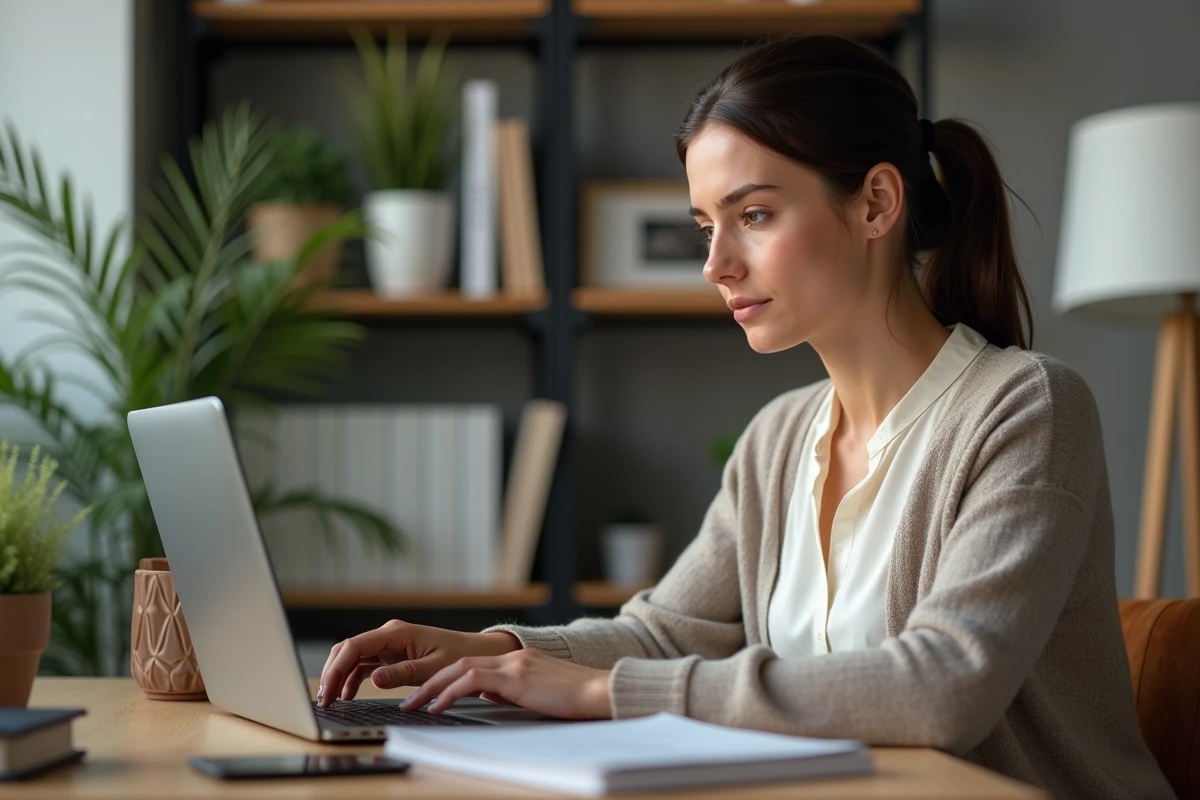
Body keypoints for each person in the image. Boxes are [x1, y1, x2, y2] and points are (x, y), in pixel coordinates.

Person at [318, 35, 1172, 798]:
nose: (716, 264)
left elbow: (945, 684)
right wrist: (488, 651)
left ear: (877, 203)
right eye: (704, 225)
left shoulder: (1026, 409)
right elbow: (661, 632)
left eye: (753, 215)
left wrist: (597, 692)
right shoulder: (777, 439)